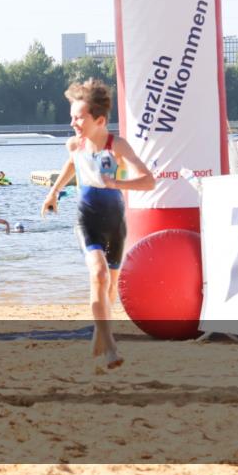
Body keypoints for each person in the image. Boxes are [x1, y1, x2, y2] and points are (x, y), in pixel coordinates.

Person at [41, 78, 155, 371]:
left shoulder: (116, 145)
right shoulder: (75, 144)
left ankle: (98, 335)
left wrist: (116, 182)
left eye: (79, 117)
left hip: (115, 221)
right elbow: (71, 163)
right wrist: (53, 193)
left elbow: (148, 180)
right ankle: (110, 348)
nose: (73, 123)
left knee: (111, 286)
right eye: (72, 117)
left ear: (100, 119)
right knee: (99, 275)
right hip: (87, 218)